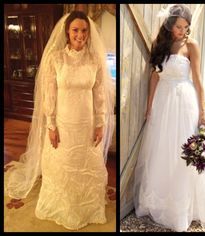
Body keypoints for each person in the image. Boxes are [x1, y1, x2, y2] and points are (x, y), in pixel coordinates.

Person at [5, 11, 115, 230]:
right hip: (63, 124)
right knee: (62, 164)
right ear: (67, 31)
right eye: (75, 30)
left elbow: (99, 95)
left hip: (87, 124)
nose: (80, 35)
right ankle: (61, 204)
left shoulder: (95, 60)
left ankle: (86, 207)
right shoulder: (55, 59)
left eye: (84, 30)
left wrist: (100, 124)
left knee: (86, 165)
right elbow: (49, 95)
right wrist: (51, 126)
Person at [133, 4, 205, 232]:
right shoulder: (160, 45)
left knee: (182, 152)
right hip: (162, 103)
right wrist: (149, 106)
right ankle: (159, 202)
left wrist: (203, 110)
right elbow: (154, 77)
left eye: (186, 26)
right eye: (179, 26)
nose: (183, 30)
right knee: (162, 151)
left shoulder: (191, 45)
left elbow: (198, 80)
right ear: (170, 25)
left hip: (184, 102)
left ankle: (181, 209)